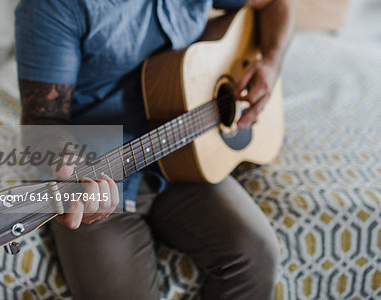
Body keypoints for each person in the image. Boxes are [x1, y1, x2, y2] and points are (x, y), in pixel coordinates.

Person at [15, 0, 295, 299]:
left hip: (188, 156)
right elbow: (42, 122)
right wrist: (68, 166)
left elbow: (276, 4)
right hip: (102, 174)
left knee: (256, 253)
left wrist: (271, 61)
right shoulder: (51, 7)